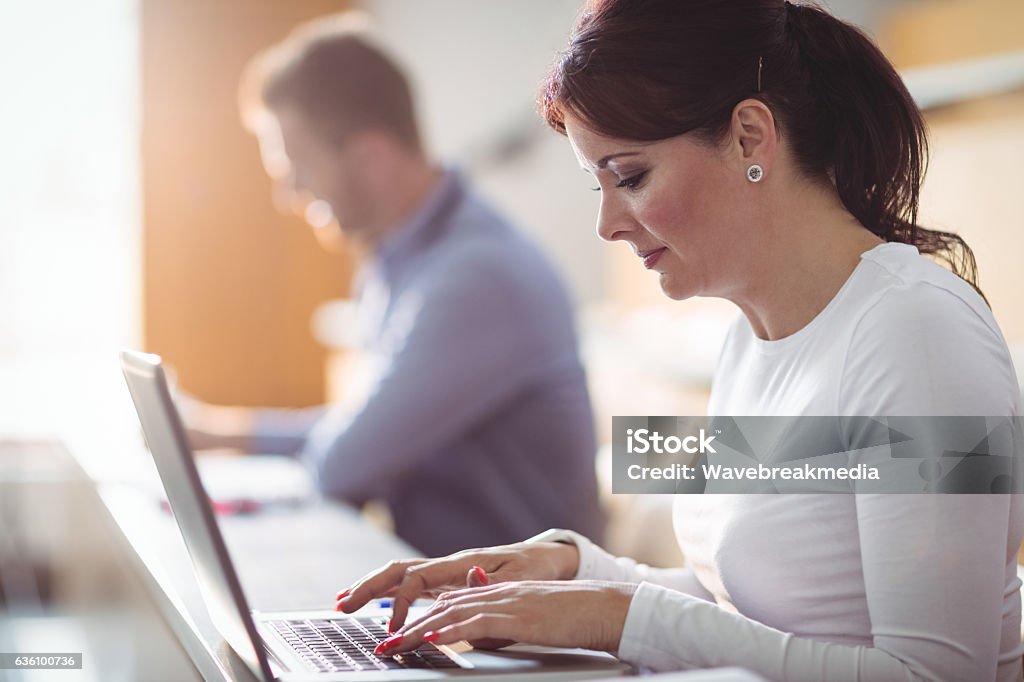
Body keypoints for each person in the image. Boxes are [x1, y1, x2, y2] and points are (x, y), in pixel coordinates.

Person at [331, 1, 1024, 679]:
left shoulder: (919, 335)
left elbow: (934, 673)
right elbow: (754, 608)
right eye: (597, 183)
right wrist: (571, 565)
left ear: (751, 137)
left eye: (629, 176)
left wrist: (614, 615)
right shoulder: (750, 336)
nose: (607, 224)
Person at [182, 14, 604, 557]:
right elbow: (369, 425)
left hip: (522, 624)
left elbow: (342, 465)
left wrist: (228, 437)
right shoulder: (397, 258)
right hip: (441, 591)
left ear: (370, 159)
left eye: (298, 167)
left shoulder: (477, 277)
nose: (290, 194)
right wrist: (218, 434)